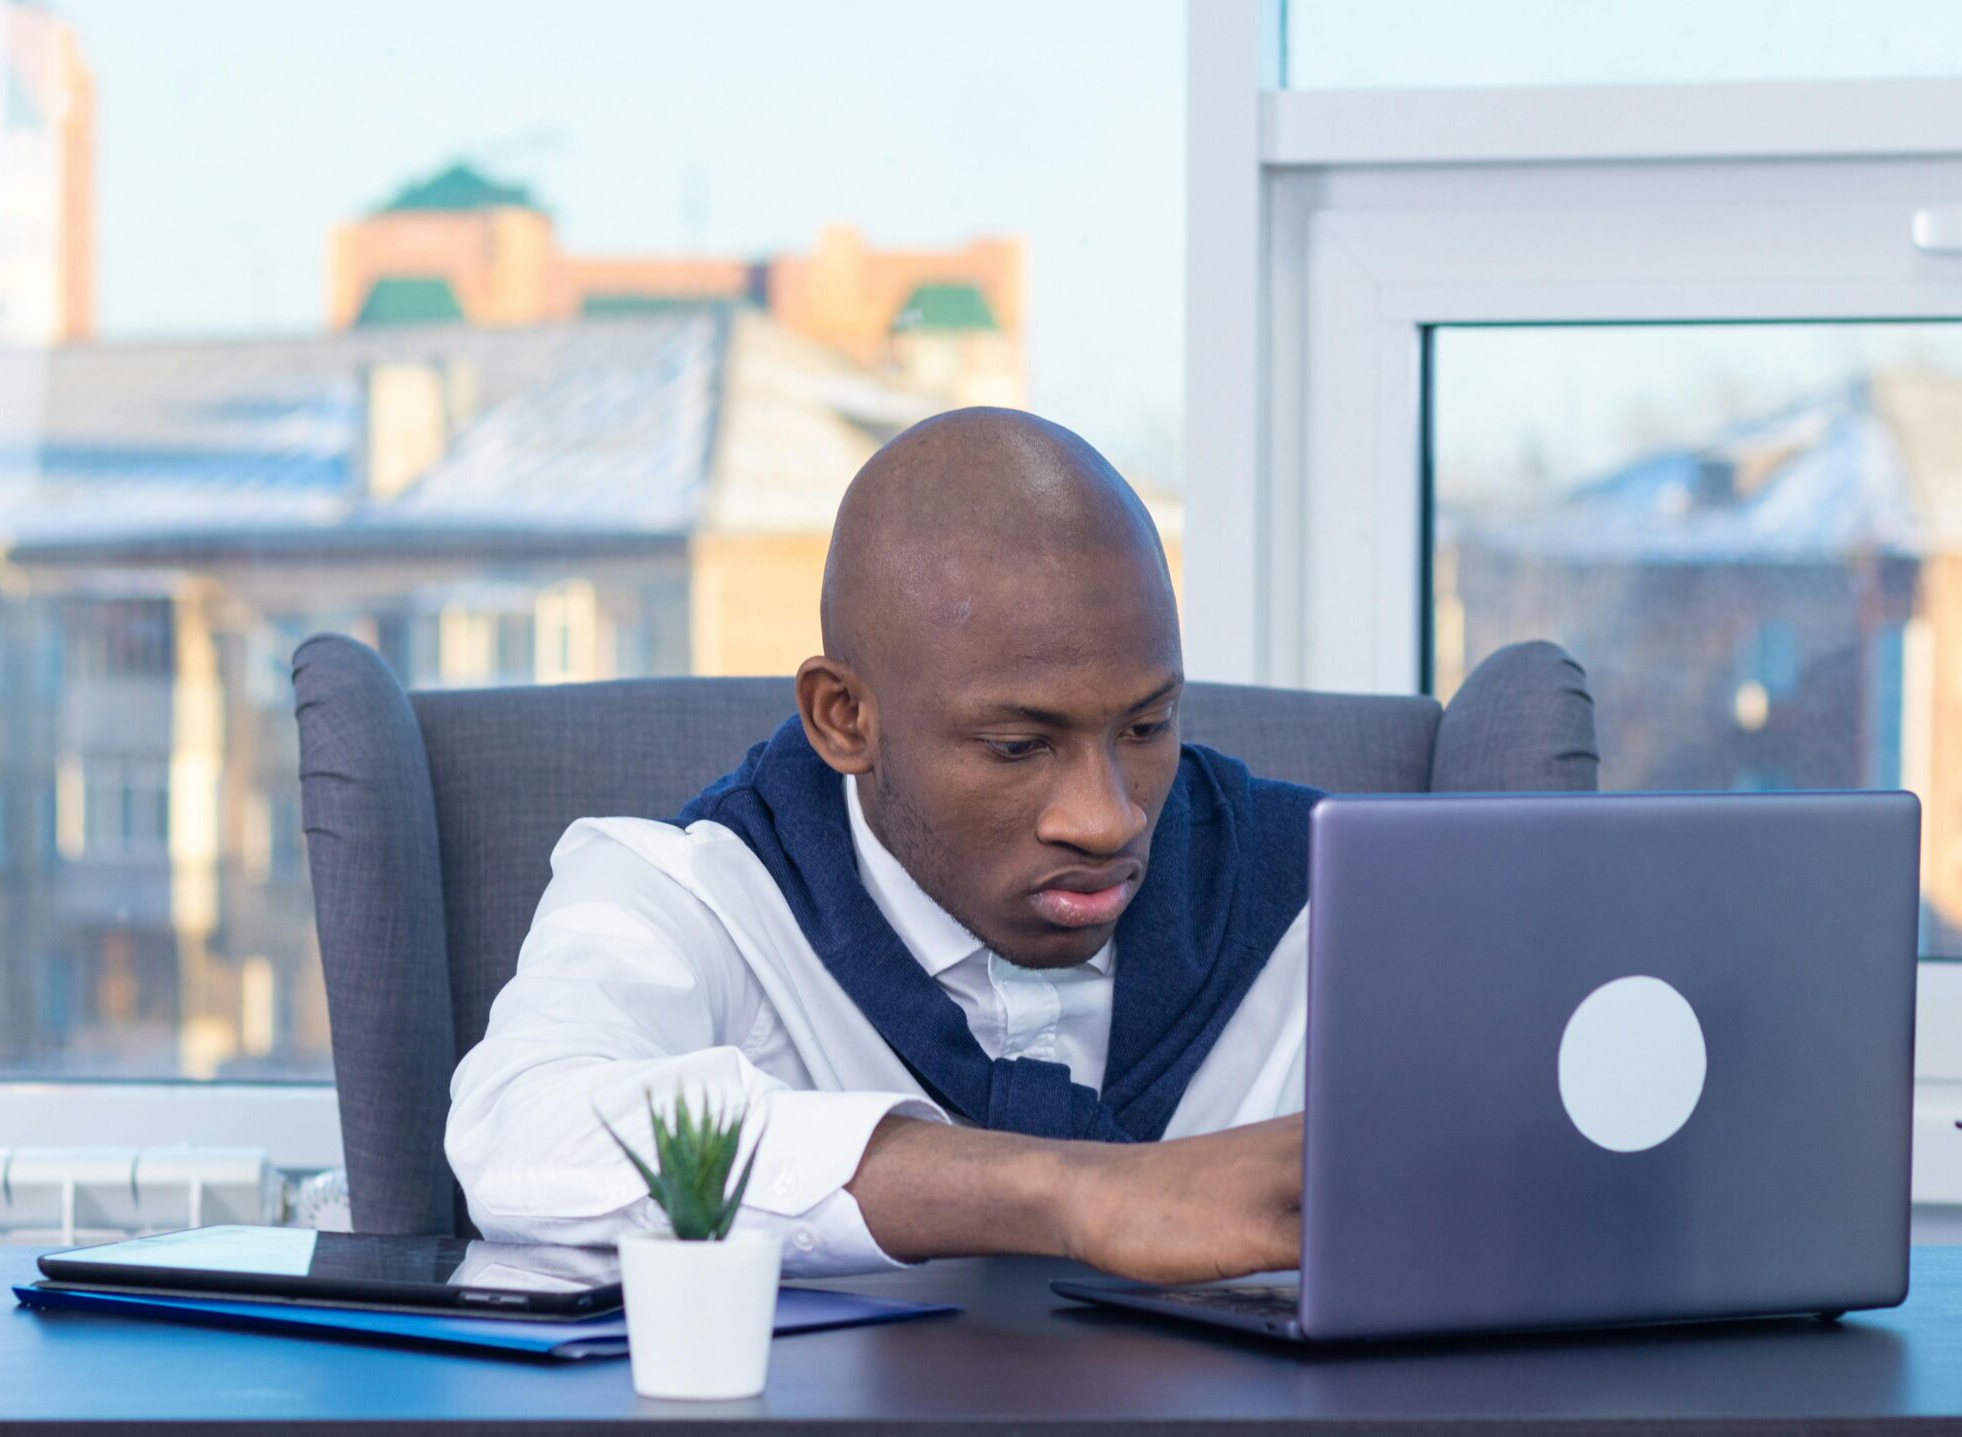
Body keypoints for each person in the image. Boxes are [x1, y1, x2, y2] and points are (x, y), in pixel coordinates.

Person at [447, 408, 1315, 1282]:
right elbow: (523, 1131)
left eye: (1145, 725)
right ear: (844, 717)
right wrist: (1077, 1192)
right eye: (1017, 746)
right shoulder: (696, 896)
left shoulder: (1331, 902)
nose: (1107, 819)